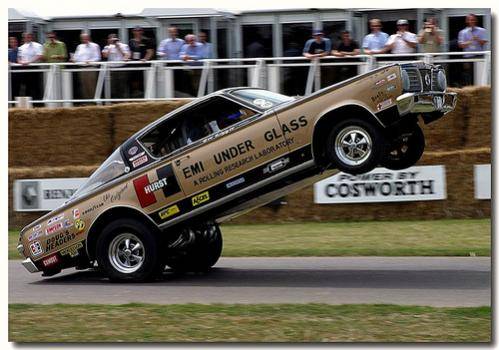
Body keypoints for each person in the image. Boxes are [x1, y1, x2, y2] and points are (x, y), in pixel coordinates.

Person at [458, 14, 488, 86]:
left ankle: (480, 88)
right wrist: (470, 41)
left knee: (480, 75)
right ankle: (469, 88)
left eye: (473, 19)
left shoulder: (482, 30)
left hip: (479, 56)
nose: (472, 21)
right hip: (468, 57)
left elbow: (484, 42)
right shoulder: (462, 32)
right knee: (468, 74)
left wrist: (477, 39)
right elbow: (460, 45)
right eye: (470, 19)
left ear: (476, 20)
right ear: (467, 21)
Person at [72, 33, 101, 100]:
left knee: (91, 85)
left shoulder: (95, 46)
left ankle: (93, 101)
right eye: (83, 38)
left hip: (91, 68)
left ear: (89, 38)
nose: (84, 40)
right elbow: (76, 56)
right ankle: (87, 101)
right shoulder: (79, 46)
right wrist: (74, 59)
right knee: (83, 86)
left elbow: (97, 57)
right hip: (82, 68)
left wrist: (90, 61)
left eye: (86, 38)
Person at [102, 33, 130, 98]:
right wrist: (110, 46)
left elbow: (127, 56)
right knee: (112, 87)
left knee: (122, 86)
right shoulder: (107, 47)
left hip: (121, 68)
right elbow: (105, 56)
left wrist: (118, 47)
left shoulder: (124, 46)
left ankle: (123, 101)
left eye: (114, 38)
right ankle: (113, 101)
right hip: (111, 69)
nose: (112, 40)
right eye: (110, 38)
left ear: (117, 39)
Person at [128, 26, 154, 98]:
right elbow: (131, 52)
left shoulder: (147, 40)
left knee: (145, 80)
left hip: (144, 64)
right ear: (133, 32)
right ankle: (136, 94)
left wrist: (145, 59)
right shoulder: (131, 41)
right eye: (135, 30)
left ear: (142, 31)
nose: (137, 32)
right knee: (134, 79)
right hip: (134, 64)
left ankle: (147, 95)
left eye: (139, 30)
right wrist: (128, 58)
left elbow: (150, 52)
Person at [17, 32, 44, 99]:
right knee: (26, 86)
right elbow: (18, 58)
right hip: (24, 68)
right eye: (25, 37)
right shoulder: (21, 47)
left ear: (31, 37)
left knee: (35, 86)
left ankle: (38, 103)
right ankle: (28, 104)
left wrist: (29, 62)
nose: (26, 38)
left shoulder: (37, 45)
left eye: (28, 37)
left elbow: (40, 56)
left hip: (34, 68)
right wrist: (21, 62)